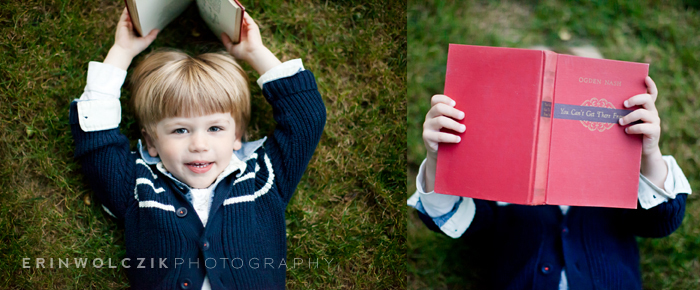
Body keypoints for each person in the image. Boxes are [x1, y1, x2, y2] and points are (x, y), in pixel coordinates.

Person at [70, 8, 326, 289]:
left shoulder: (263, 180)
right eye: (180, 130)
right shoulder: (137, 188)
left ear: (236, 136)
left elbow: (306, 119)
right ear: (152, 142)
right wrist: (121, 52)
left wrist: (255, 52)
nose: (199, 145)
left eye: (215, 128)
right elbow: (95, 138)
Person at [409, 73, 692, 288]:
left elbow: (661, 221)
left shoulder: (621, 179)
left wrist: (648, 155)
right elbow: (452, 219)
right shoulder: (499, 179)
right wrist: (439, 159)